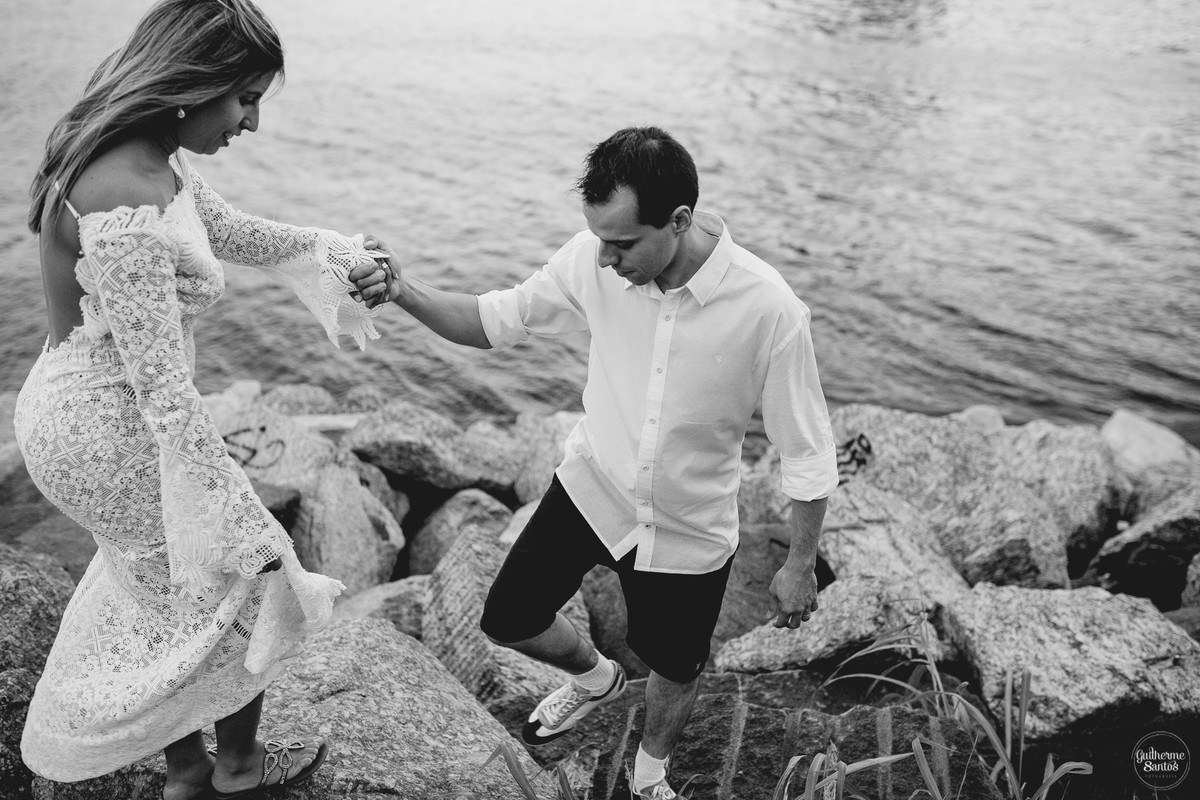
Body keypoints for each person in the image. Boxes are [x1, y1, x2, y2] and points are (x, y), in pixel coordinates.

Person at [352, 126, 839, 799]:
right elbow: (493, 321)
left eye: (623, 243)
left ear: (680, 220)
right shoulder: (591, 256)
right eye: (599, 239)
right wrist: (403, 292)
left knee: (676, 663)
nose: (604, 259)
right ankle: (596, 679)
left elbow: (807, 448)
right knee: (507, 617)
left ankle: (649, 774)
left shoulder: (770, 310)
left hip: (687, 523)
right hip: (593, 487)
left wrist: (799, 561)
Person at [15, 1, 394, 797]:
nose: (251, 122)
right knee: (248, 575)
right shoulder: (123, 199)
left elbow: (235, 231)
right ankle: (235, 770)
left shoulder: (152, 156)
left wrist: (340, 253)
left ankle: (191, 773)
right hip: (103, 428)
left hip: (88, 410)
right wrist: (227, 502)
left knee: (174, 595)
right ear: (195, 83)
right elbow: (163, 393)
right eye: (245, 98)